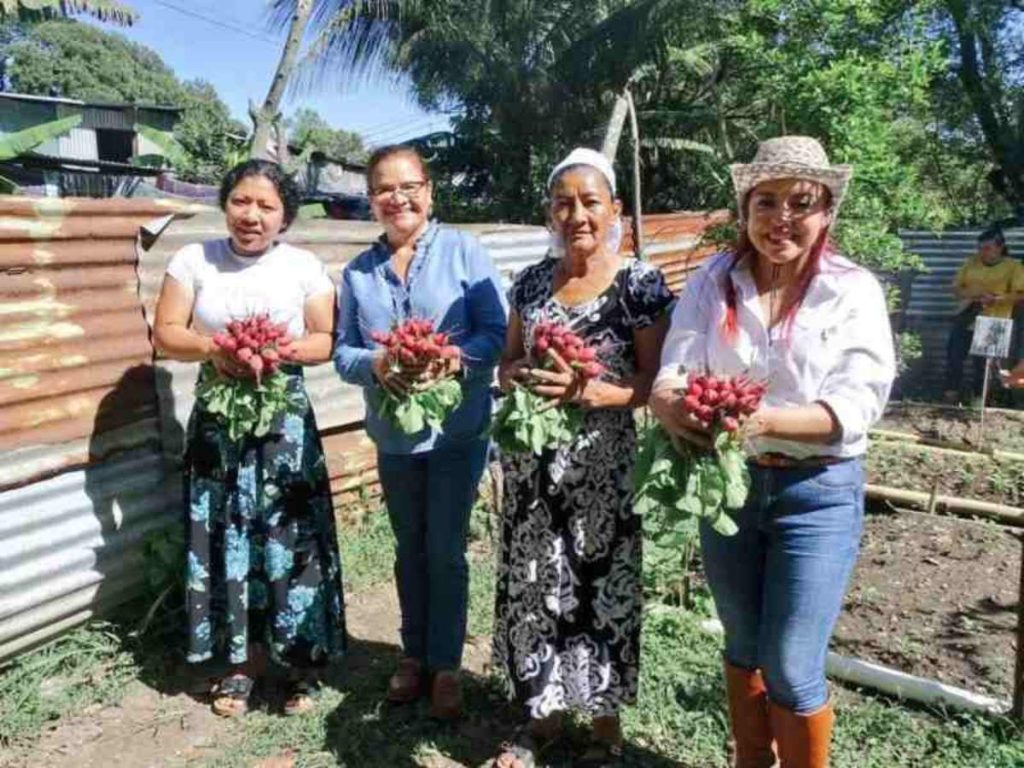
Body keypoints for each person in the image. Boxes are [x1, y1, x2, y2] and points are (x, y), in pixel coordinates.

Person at [650, 136, 895, 768]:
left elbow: (857, 405)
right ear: (745, 209)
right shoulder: (714, 280)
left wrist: (761, 420)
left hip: (817, 491)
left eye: (801, 203)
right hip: (729, 486)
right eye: (766, 202)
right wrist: (671, 403)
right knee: (742, 643)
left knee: (790, 663)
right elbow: (675, 367)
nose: (782, 217)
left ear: (827, 212)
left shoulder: (852, 290)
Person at [489, 148, 673, 768]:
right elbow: (506, 363)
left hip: (603, 471)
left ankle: (604, 727)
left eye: (590, 201)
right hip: (533, 469)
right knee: (535, 584)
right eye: (563, 203)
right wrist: (520, 375)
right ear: (550, 213)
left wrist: (595, 392)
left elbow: (656, 383)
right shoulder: (530, 282)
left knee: (600, 589)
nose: (576, 215)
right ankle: (538, 717)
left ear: (614, 209)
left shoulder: (639, 285)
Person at [153, 159, 347, 717]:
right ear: (224, 204)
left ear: (285, 215)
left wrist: (275, 351)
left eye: (266, 206)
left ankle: (299, 661)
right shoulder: (194, 260)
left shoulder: (303, 266)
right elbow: (166, 334)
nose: (252, 215)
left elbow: (325, 338)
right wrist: (216, 348)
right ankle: (239, 663)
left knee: (291, 532)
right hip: (220, 420)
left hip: (284, 421)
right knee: (227, 532)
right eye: (241, 201)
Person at [333, 144, 507, 720]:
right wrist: (379, 363)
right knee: (409, 547)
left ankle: (446, 664)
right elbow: (343, 354)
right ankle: (413, 656)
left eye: (409, 186)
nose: (398, 198)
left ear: (429, 192)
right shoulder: (358, 273)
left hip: (458, 432)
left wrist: (452, 358)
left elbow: (496, 333)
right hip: (395, 435)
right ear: (371, 200)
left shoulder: (464, 251)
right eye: (384, 188)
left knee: (447, 550)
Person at [944, 226, 1024, 402]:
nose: (982, 252)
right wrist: (974, 295)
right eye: (980, 248)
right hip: (968, 312)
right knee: (955, 353)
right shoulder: (971, 262)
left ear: (1000, 247)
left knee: (984, 362)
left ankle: (979, 399)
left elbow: (1021, 294)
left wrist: (997, 299)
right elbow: (956, 289)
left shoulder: (1013, 266)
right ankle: (951, 395)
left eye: (987, 248)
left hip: (995, 318)